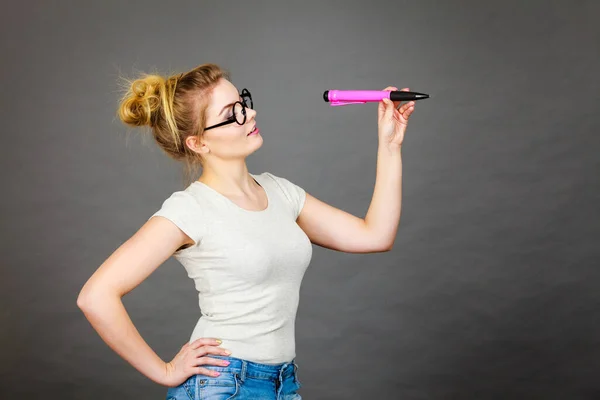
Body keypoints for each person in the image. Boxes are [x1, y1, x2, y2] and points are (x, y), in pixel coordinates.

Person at [76, 63, 415, 399]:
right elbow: (96, 296)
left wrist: (391, 145)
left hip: (284, 383)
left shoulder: (281, 192)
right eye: (233, 112)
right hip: (224, 384)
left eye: (244, 102)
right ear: (198, 143)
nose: (250, 115)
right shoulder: (190, 209)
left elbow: (375, 236)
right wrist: (164, 371)